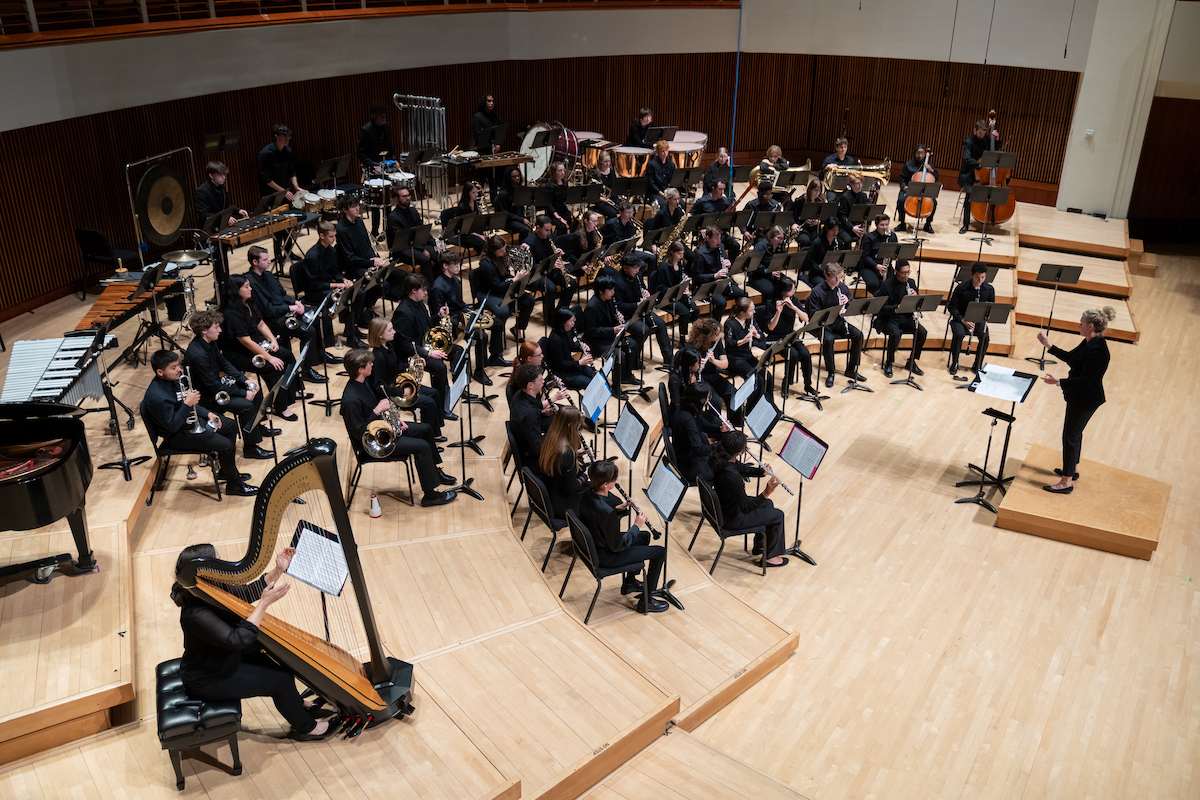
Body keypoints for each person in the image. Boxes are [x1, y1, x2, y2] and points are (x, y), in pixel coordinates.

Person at [171, 543, 328, 740]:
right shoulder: (195, 614)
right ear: (204, 572)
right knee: (280, 680)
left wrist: (279, 569)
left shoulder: (209, 589)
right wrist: (263, 604)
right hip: (209, 677)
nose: (223, 565)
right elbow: (237, 639)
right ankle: (306, 727)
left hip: (224, 657)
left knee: (282, 660)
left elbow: (248, 592)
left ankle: (294, 700)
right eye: (217, 561)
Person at [340, 349, 456, 507]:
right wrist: (377, 410)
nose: (372, 365)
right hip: (374, 445)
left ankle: (434, 472)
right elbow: (360, 432)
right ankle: (430, 496)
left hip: (382, 430)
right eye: (369, 363)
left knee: (426, 429)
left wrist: (394, 421)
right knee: (422, 447)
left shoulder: (362, 383)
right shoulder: (351, 399)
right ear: (361, 369)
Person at [141, 350, 256, 497]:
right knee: (226, 446)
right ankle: (234, 486)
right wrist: (187, 404)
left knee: (229, 426)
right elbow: (172, 426)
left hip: (187, 425)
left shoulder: (173, 381)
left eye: (178, 365)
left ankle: (225, 472)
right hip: (177, 437)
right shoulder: (157, 397)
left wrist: (207, 413)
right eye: (173, 367)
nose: (179, 370)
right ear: (160, 372)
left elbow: (191, 401)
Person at [1037, 307, 1115, 494]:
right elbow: (1072, 358)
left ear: (1090, 326)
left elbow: (1086, 380)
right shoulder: (1089, 342)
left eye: (1081, 323)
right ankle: (1073, 470)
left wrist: (1058, 382)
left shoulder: (1098, 350)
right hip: (1080, 397)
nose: (1078, 325)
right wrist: (1049, 345)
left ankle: (1066, 482)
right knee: (1075, 434)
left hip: (1086, 399)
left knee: (1070, 437)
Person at [578, 459, 667, 614]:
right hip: (607, 556)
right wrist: (636, 525)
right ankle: (646, 601)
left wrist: (619, 509)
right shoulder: (607, 511)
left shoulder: (587, 494)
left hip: (596, 544)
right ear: (605, 484)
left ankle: (630, 583)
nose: (615, 482)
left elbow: (599, 519)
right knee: (660, 552)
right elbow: (618, 546)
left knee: (644, 536)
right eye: (614, 480)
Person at [185, 309, 273, 460]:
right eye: (216, 327)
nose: (220, 330)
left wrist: (244, 380)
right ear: (204, 330)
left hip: (216, 388)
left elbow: (224, 363)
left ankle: (255, 428)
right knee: (246, 405)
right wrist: (243, 393)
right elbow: (213, 387)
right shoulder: (198, 355)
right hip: (207, 396)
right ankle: (250, 448)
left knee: (254, 391)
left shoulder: (210, 343)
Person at [219, 274, 300, 419]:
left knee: (286, 354)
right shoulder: (231, 313)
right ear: (236, 291)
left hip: (254, 348)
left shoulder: (248, 303)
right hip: (238, 354)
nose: (250, 289)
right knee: (274, 368)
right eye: (246, 287)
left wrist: (273, 340)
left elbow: (260, 323)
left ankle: (294, 391)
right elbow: (245, 341)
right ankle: (280, 406)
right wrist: (269, 357)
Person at [246, 245, 327, 383]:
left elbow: (282, 294)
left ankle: (320, 354)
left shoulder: (269, 275)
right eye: (265, 259)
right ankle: (306, 370)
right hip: (273, 320)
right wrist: (291, 308)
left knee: (319, 316)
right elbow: (268, 310)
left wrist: (296, 302)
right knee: (309, 331)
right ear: (255, 262)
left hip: (285, 310)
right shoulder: (252, 283)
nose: (269, 261)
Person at [708, 431, 788, 568]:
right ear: (739, 451)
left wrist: (760, 472)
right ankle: (770, 557)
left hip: (724, 508)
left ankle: (760, 546)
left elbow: (741, 468)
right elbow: (745, 507)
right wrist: (766, 492)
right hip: (732, 518)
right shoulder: (732, 477)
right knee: (777, 515)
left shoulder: (723, 460)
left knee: (768, 504)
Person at [366, 316, 448, 436]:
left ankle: (435, 430)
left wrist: (414, 364)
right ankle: (431, 435)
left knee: (434, 393)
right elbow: (379, 387)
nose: (394, 332)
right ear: (380, 335)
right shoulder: (378, 357)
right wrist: (402, 391)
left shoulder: (389, 346)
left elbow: (395, 367)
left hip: (398, 386)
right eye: (390, 330)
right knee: (428, 402)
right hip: (393, 394)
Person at [391, 273, 468, 396]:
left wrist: (439, 316)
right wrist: (429, 353)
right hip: (415, 353)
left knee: (458, 351)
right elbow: (405, 345)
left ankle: (459, 390)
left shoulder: (419, 302)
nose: (426, 293)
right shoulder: (403, 313)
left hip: (426, 344)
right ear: (414, 290)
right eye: (423, 290)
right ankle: (442, 402)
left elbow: (426, 324)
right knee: (439, 367)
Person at [296, 220, 357, 349]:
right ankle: (328, 344)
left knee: (355, 293)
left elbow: (335, 272)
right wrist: (337, 285)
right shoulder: (312, 256)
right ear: (321, 236)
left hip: (327, 286)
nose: (334, 239)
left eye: (335, 236)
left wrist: (343, 280)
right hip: (315, 292)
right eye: (331, 236)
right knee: (336, 299)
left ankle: (351, 334)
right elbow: (314, 284)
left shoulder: (331, 251)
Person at [805, 263, 864, 388]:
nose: (838, 280)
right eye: (834, 278)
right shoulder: (817, 291)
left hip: (837, 321)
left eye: (840, 277)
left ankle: (851, 368)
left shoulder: (842, 287)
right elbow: (814, 315)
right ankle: (831, 372)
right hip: (821, 325)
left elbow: (852, 304)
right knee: (828, 339)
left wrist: (847, 303)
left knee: (858, 335)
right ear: (826, 276)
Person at [430, 251, 490, 371]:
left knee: (483, 334)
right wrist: (459, 325)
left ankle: (481, 369)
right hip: (448, 324)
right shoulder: (438, 288)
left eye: (458, 263)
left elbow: (460, 304)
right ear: (445, 266)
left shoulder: (455, 281)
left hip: (459, 317)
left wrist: (474, 313)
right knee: (480, 336)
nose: (458, 266)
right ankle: (478, 370)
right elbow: (438, 315)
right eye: (455, 264)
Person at [755, 279, 815, 397]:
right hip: (775, 338)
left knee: (806, 354)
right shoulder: (770, 303)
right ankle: (785, 384)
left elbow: (806, 319)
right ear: (785, 292)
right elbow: (771, 328)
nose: (794, 291)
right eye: (793, 289)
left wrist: (794, 308)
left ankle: (808, 384)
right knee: (793, 354)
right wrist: (778, 312)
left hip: (789, 335)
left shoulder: (795, 301)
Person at [335, 194, 388, 326]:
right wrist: (371, 262)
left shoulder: (359, 221)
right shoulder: (341, 229)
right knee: (378, 284)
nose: (357, 208)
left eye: (357, 205)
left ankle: (367, 308)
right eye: (353, 206)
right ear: (344, 210)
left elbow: (367, 244)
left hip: (366, 262)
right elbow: (349, 258)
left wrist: (376, 258)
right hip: (353, 267)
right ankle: (363, 312)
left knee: (386, 282)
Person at [614, 253, 672, 368]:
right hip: (626, 315)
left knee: (660, 323)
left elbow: (642, 289)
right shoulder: (618, 282)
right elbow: (619, 306)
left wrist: (646, 293)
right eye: (634, 268)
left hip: (639, 310)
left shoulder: (637, 275)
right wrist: (636, 304)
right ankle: (633, 360)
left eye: (638, 267)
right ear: (625, 268)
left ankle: (669, 360)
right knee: (643, 330)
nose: (637, 270)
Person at [584, 273, 643, 387]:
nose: (613, 292)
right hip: (596, 341)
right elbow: (592, 331)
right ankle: (616, 388)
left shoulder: (610, 299)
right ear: (601, 291)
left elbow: (610, 318)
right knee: (619, 355)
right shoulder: (591, 307)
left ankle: (626, 376)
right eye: (610, 290)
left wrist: (617, 317)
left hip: (609, 336)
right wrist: (613, 330)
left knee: (633, 344)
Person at [477, 235, 534, 346]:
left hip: (504, 287)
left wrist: (522, 247)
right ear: (493, 251)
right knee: (503, 312)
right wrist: (515, 279)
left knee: (529, 300)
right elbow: (497, 286)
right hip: (489, 293)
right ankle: (497, 343)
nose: (504, 252)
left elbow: (513, 251)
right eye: (501, 250)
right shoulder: (486, 265)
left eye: (504, 249)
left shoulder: (501, 254)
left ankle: (518, 328)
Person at [257, 124, 301, 267]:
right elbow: (266, 179)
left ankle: (288, 251)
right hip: (271, 194)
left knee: (289, 223)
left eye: (288, 136)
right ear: (276, 136)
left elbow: (292, 172)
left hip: (286, 192)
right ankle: (278, 255)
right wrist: (283, 191)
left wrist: (296, 186)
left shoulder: (288, 151)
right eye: (284, 137)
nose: (287, 139)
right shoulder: (266, 153)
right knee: (277, 227)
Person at [873, 262, 926, 379]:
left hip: (906, 317)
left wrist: (915, 297)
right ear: (896, 272)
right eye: (904, 273)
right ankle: (889, 362)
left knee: (922, 332)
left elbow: (917, 304)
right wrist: (897, 307)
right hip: (890, 318)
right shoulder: (886, 285)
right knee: (896, 333)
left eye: (908, 272)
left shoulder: (911, 283)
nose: (906, 275)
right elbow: (881, 308)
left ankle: (911, 362)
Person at [538, 406, 589, 521]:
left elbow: (559, 458)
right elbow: (571, 488)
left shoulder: (549, 436)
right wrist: (587, 474)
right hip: (562, 505)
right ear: (570, 426)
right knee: (597, 495)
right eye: (578, 425)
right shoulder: (567, 454)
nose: (579, 428)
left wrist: (577, 453)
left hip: (551, 491)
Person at [672, 381, 730, 485]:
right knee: (724, 472)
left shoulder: (692, 410)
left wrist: (721, 429)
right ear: (700, 400)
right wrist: (721, 446)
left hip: (692, 457)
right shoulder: (687, 420)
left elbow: (706, 426)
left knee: (725, 463)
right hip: (688, 465)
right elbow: (699, 450)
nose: (708, 400)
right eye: (707, 398)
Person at [522, 214, 574, 322]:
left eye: (550, 230)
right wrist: (550, 265)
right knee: (551, 288)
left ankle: (561, 311)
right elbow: (530, 267)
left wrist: (558, 252)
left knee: (571, 283)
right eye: (546, 230)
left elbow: (551, 254)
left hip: (550, 270)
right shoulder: (529, 243)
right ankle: (549, 318)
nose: (549, 233)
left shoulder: (549, 236)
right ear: (537, 228)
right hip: (535, 275)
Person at [947, 262, 995, 375]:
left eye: (983, 277)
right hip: (961, 319)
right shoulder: (961, 288)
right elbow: (952, 307)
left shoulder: (989, 289)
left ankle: (977, 364)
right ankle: (955, 363)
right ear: (971, 274)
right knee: (958, 334)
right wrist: (963, 320)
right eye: (977, 277)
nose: (980, 280)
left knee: (985, 337)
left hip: (978, 320)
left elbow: (991, 307)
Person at [691, 225, 748, 319]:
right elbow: (697, 277)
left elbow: (726, 262)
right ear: (708, 238)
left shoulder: (720, 247)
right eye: (716, 238)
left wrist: (729, 263)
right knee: (721, 303)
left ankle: (734, 320)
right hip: (709, 285)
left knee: (743, 294)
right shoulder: (700, 254)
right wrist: (715, 275)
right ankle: (715, 324)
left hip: (723, 282)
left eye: (719, 238)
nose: (719, 241)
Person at [509, 363, 556, 476]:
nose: (543, 382)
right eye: (540, 380)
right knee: (567, 459)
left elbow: (531, 411)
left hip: (528, 441)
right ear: (530, 385)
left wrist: (541, 413)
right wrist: (558, 444)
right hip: (532, 459)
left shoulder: (519, 394)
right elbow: (538, 448)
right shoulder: (528, 414)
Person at [356, 101, 393, 239]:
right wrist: (373, 164)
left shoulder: (387, 127)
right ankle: (375, 231)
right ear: (374, 116)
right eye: (381, 116)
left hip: (386, 169)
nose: (384, 118)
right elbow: (360, 152)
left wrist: (394, 160)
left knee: (388, 201)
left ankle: (389, 229)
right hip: (373, 171)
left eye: (385, 116)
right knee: (377, 203)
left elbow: (390, 147)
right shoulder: (366, 130)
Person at [959, 118, 1001, 234]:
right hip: (968, 175)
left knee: (991, 193)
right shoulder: (968, 142)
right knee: (969, 195)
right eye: (979, 133)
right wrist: (982, 164)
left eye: (984, 134)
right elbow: (967, 159)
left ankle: (988, 219)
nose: (981, 136)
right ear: (975, 130)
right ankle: (965, 225)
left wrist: (996, 139)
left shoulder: (985, 140)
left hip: (983, 176)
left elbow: (995, 150)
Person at [385, 185, 435, 280]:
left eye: (408, 195)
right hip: (402, 249)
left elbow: (422, 230)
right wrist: (422, 250)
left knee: (439, 255)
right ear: (396, 199)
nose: (408, 198)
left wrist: (433, 243)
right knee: (425, 260)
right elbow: (403, 240)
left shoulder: (413, 211)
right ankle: (429, 288)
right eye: (404, 196)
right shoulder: (393, 217)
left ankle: (435, 282)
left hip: (417, 245)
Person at [653, 241, 700, 341]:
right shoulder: (663, 267)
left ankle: (696, 336)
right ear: (672, 252)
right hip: (666, 298)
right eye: (679, 254)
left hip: (678, 294)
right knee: (684, 312)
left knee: (695, 309)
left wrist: (684, 282)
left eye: (683, 254)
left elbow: (680, 281)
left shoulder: (681, 263)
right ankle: (682, 340)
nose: (681, 256)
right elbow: (660, 287)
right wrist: (675, 289)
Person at [541, 307, 597, 390]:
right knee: (590, 384)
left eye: (574, 320)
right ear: (563, 322)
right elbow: (560, 364)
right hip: (561, 373)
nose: (573, 324)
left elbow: (570, 346)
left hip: (571, 366)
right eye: (571, 321)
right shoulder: (555, 339)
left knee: (596, 376)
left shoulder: (566, 331)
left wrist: (580, 347)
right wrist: (579, 362)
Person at [689, 179, 741, 259]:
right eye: (720, 189)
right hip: (707, 235)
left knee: (735, 245)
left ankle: (730, 268)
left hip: (720, 233)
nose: (722, 192)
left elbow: (732, 217)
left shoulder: (725, 202)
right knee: (720, 247)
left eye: (723, 189)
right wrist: (701, 229)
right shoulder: (702, 202)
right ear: (713, 188)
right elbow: (691, 217)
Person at [895, 143, 937, 234]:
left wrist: (932, 170)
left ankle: (928, 224)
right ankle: (902, 223)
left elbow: (935, 178)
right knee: (901, 199)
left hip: (924, 192)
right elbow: (902, 178)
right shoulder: (908, 164)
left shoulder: (929, 165)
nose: (920, 156)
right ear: (914, 153)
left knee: (934, 202)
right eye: (918, 153)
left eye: (922, 154)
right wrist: (904, 187)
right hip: (910, 190)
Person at [859, 213, 903, 295]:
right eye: (882, 225)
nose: (885, 227)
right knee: (874, 284)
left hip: (886, 267)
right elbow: (865, 256)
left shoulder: (892, 236)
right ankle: (878, 302)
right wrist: (876, 266)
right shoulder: (869, 237)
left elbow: (896, 253)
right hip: (870, 267)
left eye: (887, 224)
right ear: (876, 225)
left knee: (893, 284)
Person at [439, 182, 487, 254]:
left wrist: (483, 232)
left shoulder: (475, 204)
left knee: (489, 241)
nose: (476, 195)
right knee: (482, 243)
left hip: (473, 232)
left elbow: (476, 222)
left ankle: (486, 259)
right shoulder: (462, 208)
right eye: (473, 193)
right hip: (465, 235)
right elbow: (464, 228)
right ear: (468, 193)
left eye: (476, 192)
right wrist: (479, 235)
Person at [471, 93, 503, 201]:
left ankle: (494, 200)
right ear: (484, 103)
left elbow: (499, 133)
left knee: (493, 178)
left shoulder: (495, 117)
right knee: (482, 178)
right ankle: (478, 200)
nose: (491, 103)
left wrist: (498, 145)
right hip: (482, 152)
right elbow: (478, 135)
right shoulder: (478, 117)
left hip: (494, 151)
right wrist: (490, 145)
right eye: (489, 101)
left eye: (493, 101)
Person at [749, 225, 790, 302]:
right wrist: (769, 271)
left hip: (772, 274)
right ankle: (767, 308)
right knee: (769, 289)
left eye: (782, 239)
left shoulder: (780, 247)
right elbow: (754, 266)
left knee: (788, 285)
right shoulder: (761, 246)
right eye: (778, 238)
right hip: (758, 276)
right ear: (771, 237)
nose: (780, 241)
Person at [801, 218, 843, 287]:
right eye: (833, 230)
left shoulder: (838, 242)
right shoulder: (817, 243)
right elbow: (809, 262)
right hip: (817, 274)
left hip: (832, 273)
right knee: (827, 286)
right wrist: (821, 270)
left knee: (841, 286)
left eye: (837, 230)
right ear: (827, 229)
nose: (835, 233)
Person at [495, 166, 533, 237]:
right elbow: (505, 214)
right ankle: (522, 247)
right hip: (509, 221)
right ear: (509, 178)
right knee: (525, 229)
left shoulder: (521, 190)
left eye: (518, 176)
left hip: (520, 218)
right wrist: (522, 220)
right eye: (514, 177)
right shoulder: (504, 193)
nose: (517, 178)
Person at [587, 149, 622, 221]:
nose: (608, 163)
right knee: (612, 213)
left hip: (612, 198)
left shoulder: (612, 172)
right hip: (601, 201)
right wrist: (605, 199)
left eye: (609, 161)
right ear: (600, 162)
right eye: (605, 161)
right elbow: (593, 193)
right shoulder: (596, 174)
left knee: (625, 209)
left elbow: (615, 187)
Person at [836, 174, 868, 248]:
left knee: (867, 238)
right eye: (857, 183)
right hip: (845, 227)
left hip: (857, 225)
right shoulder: (845, 197)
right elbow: (842, 217)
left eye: (861, 183)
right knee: (847, 240)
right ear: (851, 184)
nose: (860, 186)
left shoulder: (863, 196)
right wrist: (852, 228)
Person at [794, 179, 826, 249]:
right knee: (805, 241)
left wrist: (819, 222)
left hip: (815, 229)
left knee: (818, 240)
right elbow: (792, 215)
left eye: (819, 191)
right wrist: (794, 224)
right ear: (810, 190)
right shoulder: (801, 200)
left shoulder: (821, 202)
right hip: (803, 229)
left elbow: (824, 217)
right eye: (815, 190)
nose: (817, 193)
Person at [645, 140, 674, 211]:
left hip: (668, 192)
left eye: (666, 151)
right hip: (656, 193)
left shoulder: (671, 164)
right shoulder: (652, 164)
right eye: (662, 151)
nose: (665, 153)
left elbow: (673, 181)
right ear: (657, 151)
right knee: (664, 205)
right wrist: (662, 194)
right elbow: (651, 184)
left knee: (681, 203)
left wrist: (671, 193)